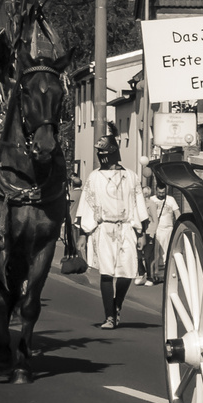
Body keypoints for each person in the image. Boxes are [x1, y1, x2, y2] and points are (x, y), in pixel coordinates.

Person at [77, 140, 144, 328]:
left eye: (103, 152)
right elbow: (87, 205)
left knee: (128, 271)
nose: (101, 156)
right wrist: (84, 233)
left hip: (126, 227)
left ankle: (117, 304)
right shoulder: (94, 177)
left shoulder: (131, 176)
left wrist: (141, 232)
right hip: (103, 228)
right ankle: (109, 317)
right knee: (106, 273)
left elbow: (138, 203)